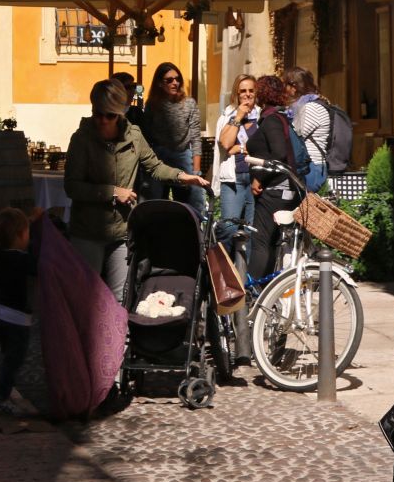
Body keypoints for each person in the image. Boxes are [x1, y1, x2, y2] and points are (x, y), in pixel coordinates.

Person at [63, 79, 208, 302]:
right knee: (85, 299)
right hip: (88, 232)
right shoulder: (82, 139)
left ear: (120, 112)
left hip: (121, 232)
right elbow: (72, 186)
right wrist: (113, 191)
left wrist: (182, 176)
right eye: (97, 113)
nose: (103, 120)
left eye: (109, 115)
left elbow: (155, 166)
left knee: (120, 299)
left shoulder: (134, 136)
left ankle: (118, 327)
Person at [246, 74, 304, 280]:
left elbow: (278, 153)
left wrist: (259, 178)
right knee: (270, 243)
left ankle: (253, 292)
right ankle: (267, 290)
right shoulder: (278, 117)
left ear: (262, 94)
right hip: (283, 188)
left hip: (276, 190)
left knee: (260, 242)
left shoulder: (271, 120)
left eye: (256, 91)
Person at [0, 205, 41, 417]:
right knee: (13, 363)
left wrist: (30, 221)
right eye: (27, 233)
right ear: (21, 235)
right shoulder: (22, 260)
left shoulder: (2, 255)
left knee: (8, 360)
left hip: (2, 318)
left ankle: (2, 395)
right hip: (17, 322)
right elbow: (38, 264)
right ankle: (0, 398)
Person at [139, 62, 206, 217]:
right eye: (169, 80)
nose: (175, 83)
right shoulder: (152, 104)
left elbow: (196, 138)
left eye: (177, 79)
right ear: (159, 83)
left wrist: (196, 170)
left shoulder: (189, 103)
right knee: (155, 206)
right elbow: (146, 136)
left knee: (192, 207)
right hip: (158, 157)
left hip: (182, 156)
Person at [214, 74, 258, 261]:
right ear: (236, 94)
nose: (247, 95)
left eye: (251, 91)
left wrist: (238, 148)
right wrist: (239, 116)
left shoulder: (262, 116)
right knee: (228, 228)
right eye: (243, 91)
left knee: (251, 232)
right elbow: (226, 143)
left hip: (256, 179)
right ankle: (222, 270)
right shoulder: (228, 116)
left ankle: (246, 275)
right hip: (234, 180)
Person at [284, 67, 331, 193]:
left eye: (285, 85)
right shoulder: (303, 106)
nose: (284, 90)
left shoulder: (311, 107)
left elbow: (295, 136)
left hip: (311, 167)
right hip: (308, 166)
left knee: (304, 204)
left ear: (294, 87)